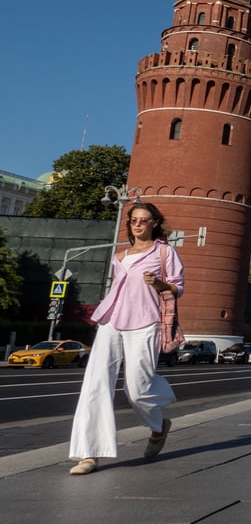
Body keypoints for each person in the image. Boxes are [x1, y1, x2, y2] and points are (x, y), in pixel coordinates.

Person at [68, 201, 185, 475]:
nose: (138, 225)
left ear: (155, 223)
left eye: (144, 220)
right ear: (129, 223)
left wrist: (158, 283)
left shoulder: (165, 252)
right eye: (134, 220)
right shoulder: (119, 257)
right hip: (111, 320)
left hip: (146, 321)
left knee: (138, 388)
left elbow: (177, 287)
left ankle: (159, 426)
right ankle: (89, 454)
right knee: (95, 383)